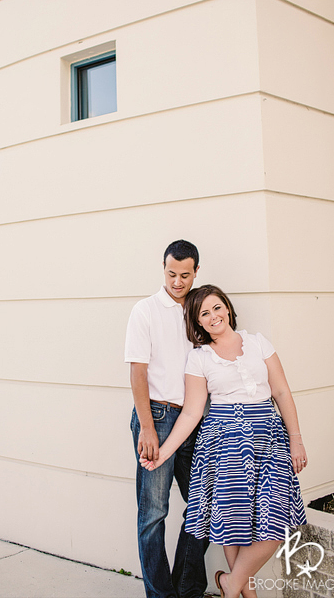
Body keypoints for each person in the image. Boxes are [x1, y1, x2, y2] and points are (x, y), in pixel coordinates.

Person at [140, 285, 307, 598]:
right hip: (223, 441)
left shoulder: (258, 343)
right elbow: (191, 413)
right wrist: (162, 454)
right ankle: (246, 594)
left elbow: (282, 392)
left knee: (276, 521)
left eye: (217, 307)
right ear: (198, 323)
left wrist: (296, 440)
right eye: (204, 313)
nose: (213, 316)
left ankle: (232, 583)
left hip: (268, 436)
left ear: (227, 308)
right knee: (234, 523)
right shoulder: (199, 359)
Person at [125, 239, 208, 598]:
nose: (177, 281)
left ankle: (186, 588)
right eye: (171, 274)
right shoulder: (145, 310)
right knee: (154, 515)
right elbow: (137, 372)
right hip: (156, 417)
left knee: (204, 505)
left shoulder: (200, 309)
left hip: (194, 421)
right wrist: (146, 426)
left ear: (196, 271)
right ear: (163, 268)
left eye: (185, 275)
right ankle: (160, 595)